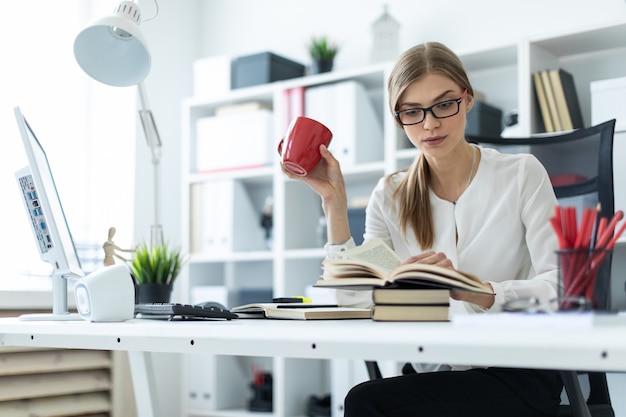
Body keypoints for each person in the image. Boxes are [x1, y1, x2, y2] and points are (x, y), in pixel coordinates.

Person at [281, 42, 563, 416]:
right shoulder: (391, 195)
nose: (430, 124)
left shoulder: (522, 174)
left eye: (444, 104)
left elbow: (560, 289)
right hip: (435, 368)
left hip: (516, 370)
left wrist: (474, 290)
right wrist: (334, 203)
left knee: (367, 402)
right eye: (412, 112)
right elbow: (357, 299)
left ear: (468, 99)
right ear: (399, 119)